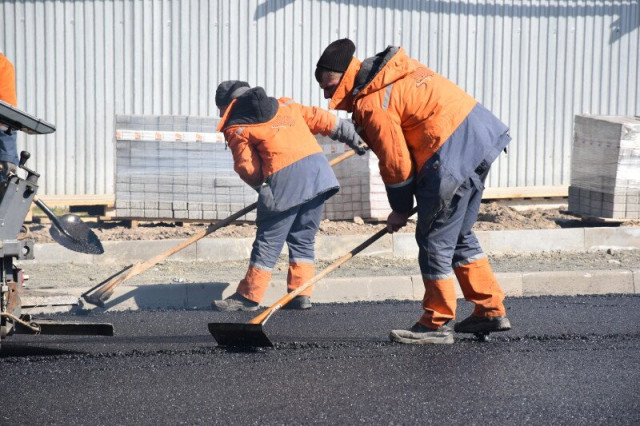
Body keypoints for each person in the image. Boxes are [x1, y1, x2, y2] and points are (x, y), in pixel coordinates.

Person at [314, 39, 512, 344]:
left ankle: (436, 323)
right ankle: (489, 309)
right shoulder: (394, 72)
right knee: (458, 234)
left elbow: (397, 164)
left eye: (329, 87)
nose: (327, 96)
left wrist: (401, 208)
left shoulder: (372, 103)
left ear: (346, 76)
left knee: (433, 239)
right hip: (480, 140)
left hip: (449, 155)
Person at [212, 80, 366, 311]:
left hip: (284, 182)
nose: (221, 115)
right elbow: (324, 119)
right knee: (303, 238)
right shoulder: (286, 106)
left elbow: (247, 168)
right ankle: (300, 294)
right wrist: (355, 138)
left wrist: (265, 187)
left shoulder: (238, 127)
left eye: (221, 110)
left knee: (268, 241)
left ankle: (249, 297)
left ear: (229, 105)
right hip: (318, 176)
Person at [0, 50, 19, 178]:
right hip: (6, 125)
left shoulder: (3, 64)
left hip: (4, 126)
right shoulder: (5, 64)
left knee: (5, 171)